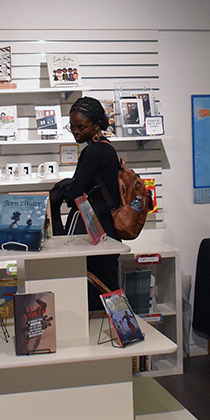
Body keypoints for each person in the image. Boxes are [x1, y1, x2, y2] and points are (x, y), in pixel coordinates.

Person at [50, 96, 122, 312]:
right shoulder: (107, 148)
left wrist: (63, 188)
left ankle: (108, 337)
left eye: (82, 127)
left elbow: (73, 194)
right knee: (108, 289)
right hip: (106, 230)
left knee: (95, 293)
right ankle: (118, 334)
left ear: (97, 125)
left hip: (96, 232)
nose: (76, 132)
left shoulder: (93, 152)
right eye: (72, 126)